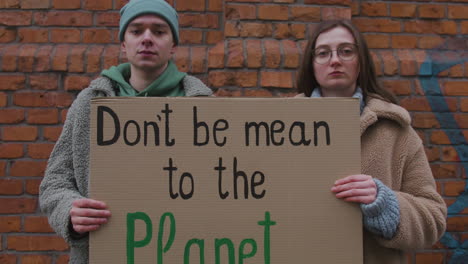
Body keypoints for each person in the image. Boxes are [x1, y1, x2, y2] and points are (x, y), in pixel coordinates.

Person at [39, 0, 212, 263]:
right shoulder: (90, 103)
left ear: (173, 45)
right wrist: (70, 210)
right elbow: (55, 182)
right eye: (136, 31)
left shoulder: (204, 107)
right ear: (123, 43)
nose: (147, 39)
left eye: (159, 31)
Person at [296, 20, 447, 263]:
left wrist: (385, 205)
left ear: (360, 61)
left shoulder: (397, 131)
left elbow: (434, 219)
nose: (335, 60)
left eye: (346, 51)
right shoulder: (280, 127)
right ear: (311, 64)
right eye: (323, 53)